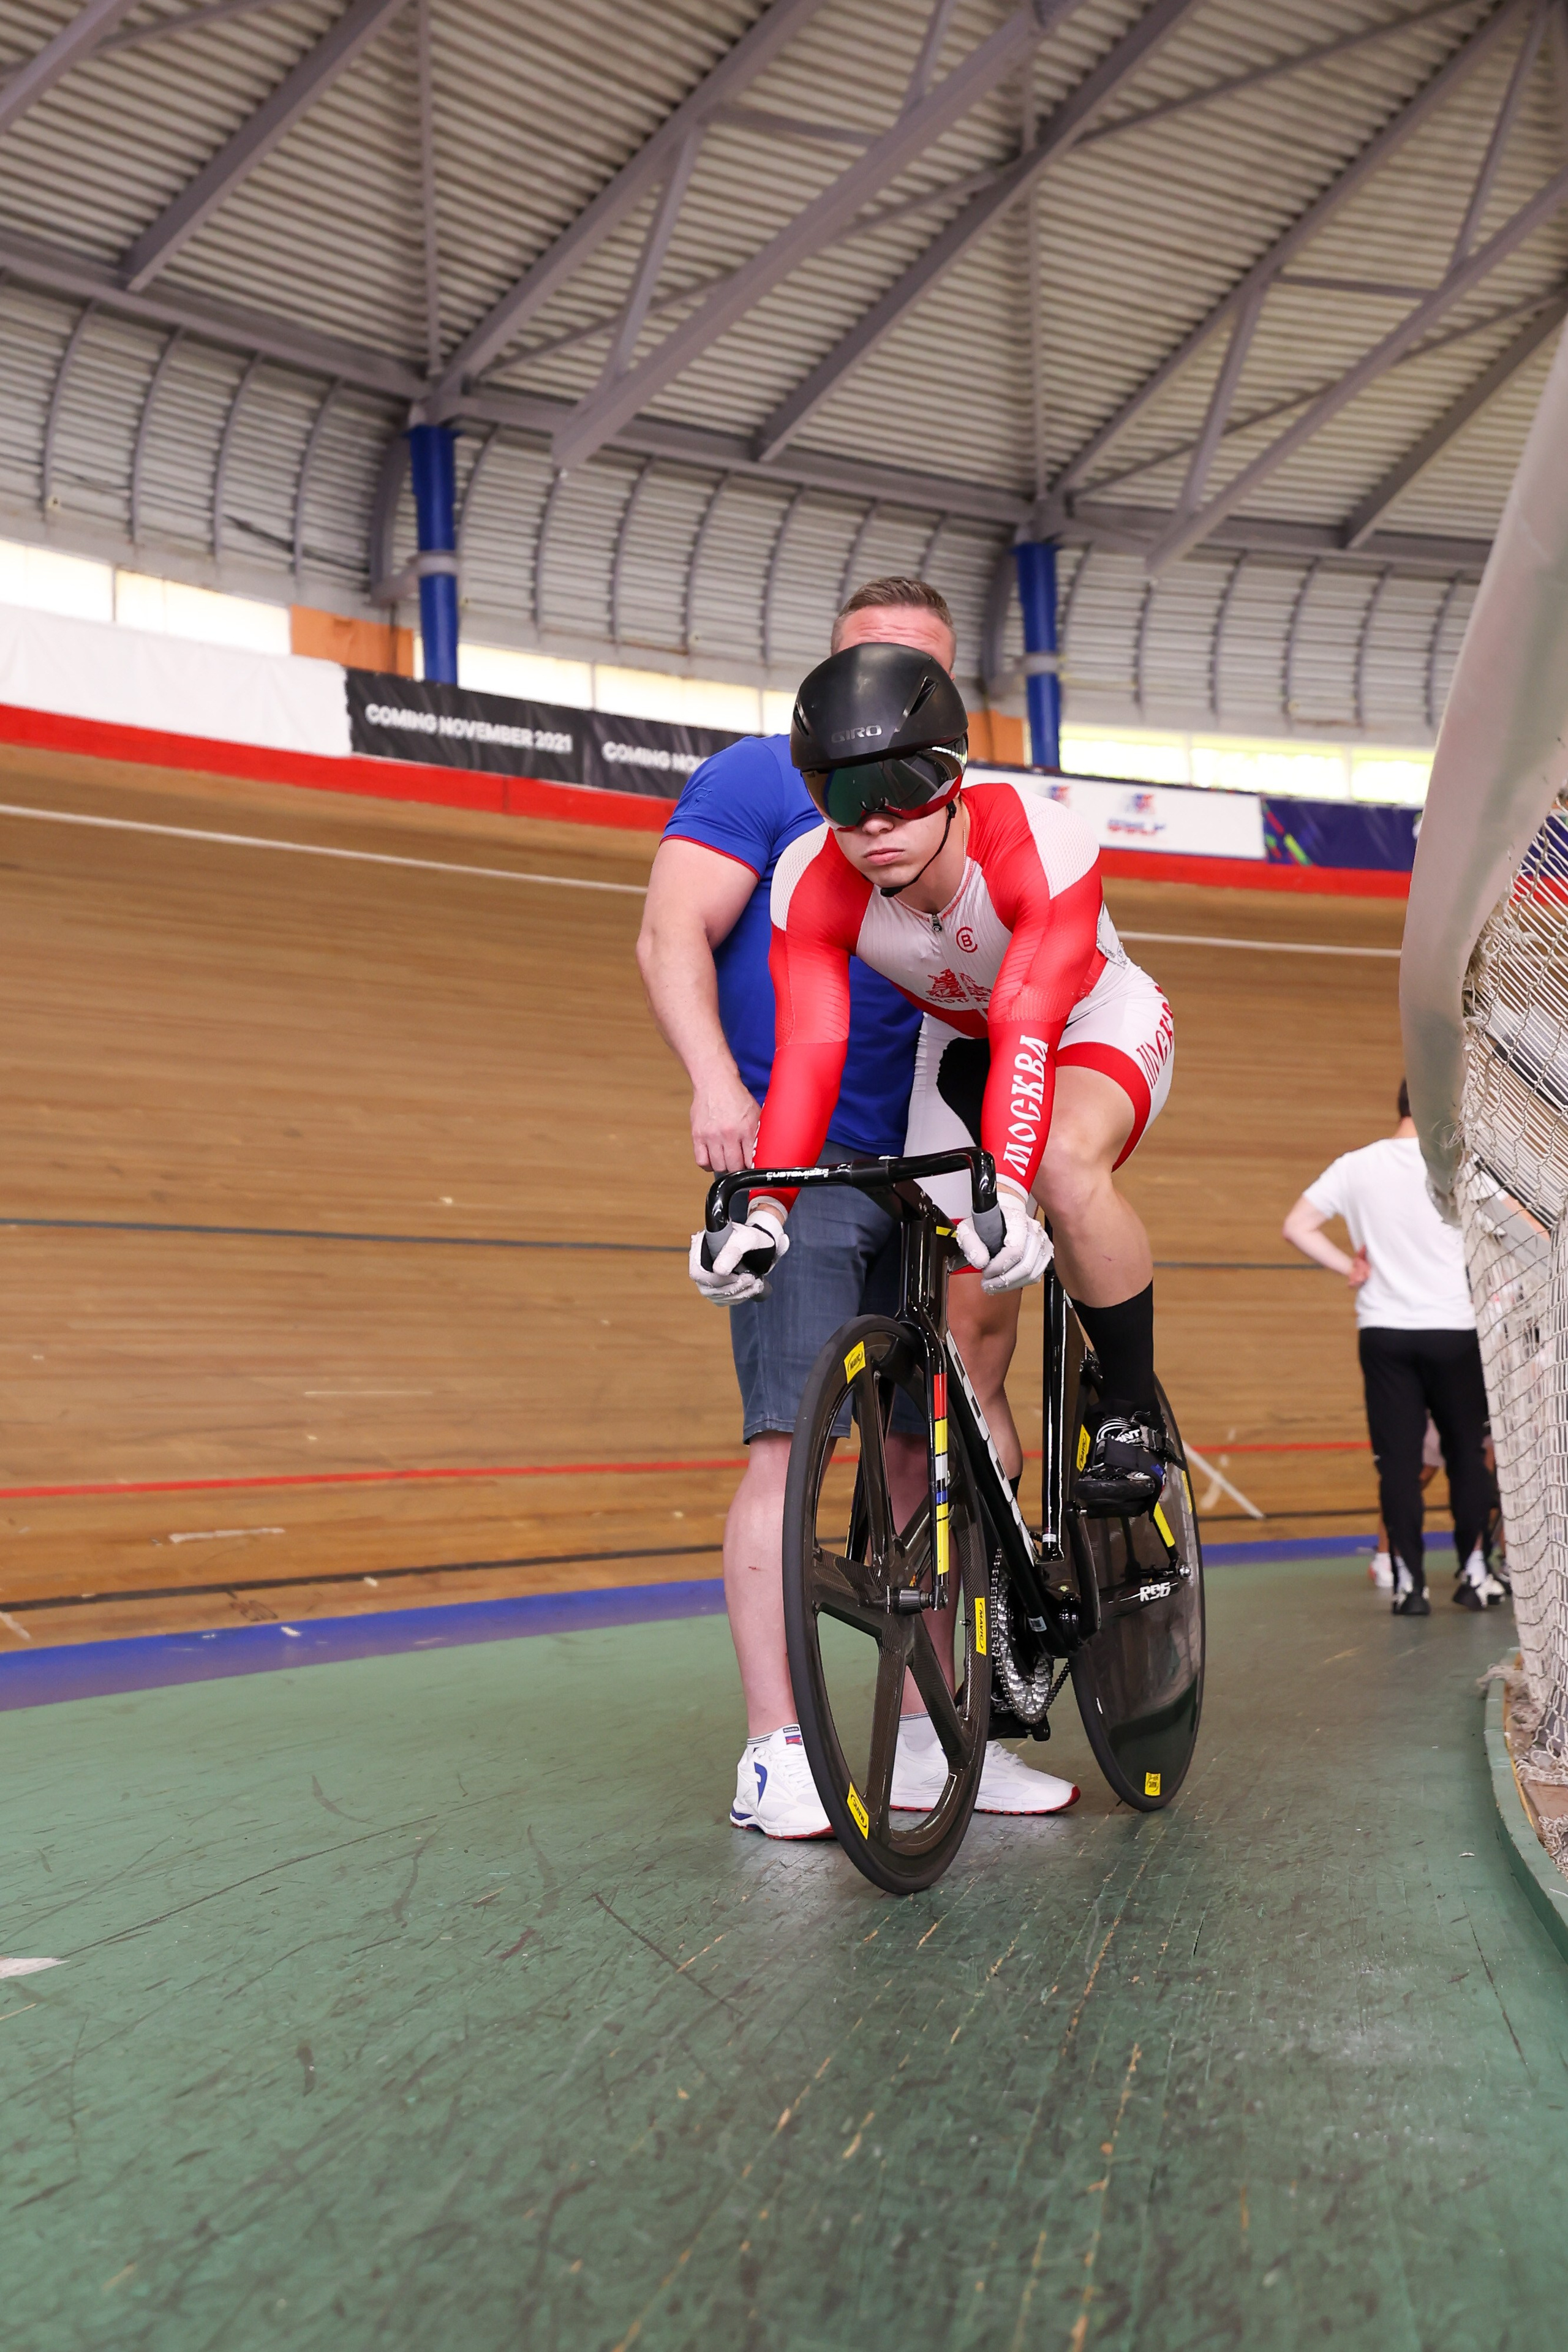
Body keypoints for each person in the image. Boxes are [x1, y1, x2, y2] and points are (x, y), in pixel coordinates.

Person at [692, 641, 1176, 1798]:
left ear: (956, 774)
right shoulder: (811, 878)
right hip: (956, 1052)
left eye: (905, 788)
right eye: (846, 799)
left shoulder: (1037, 840)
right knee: (959, 1326)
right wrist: (761, 1210)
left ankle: (1135, 1413)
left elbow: (1027, 1015)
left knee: (1054, 1168)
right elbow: (808, 1057)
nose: (877, 825)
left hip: (1086, 1021)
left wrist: (1004, 1183)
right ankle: (996, 1591)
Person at [639, 581, 1067, 1838]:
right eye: (864, 663)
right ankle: (774, 1748)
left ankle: (936, 1745)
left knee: (918, 1456)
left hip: (931, 1156)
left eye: (914, 671)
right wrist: (717, 1081)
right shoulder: (755, 779)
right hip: (805, 1150)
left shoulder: (968, 816)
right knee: (787, 1441)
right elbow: (671, 934)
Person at [1283, 1079, 1506, 1616]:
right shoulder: (1463, 1169)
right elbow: (1514, 1232)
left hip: (1385, 1333)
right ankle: (1475, 1577)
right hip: (1457, 1330)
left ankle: (1409, 1587)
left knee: (1400, 1465)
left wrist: (1350, 1267)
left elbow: (1297, 1226)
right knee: (1467, 1459)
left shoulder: (1356, 1165)